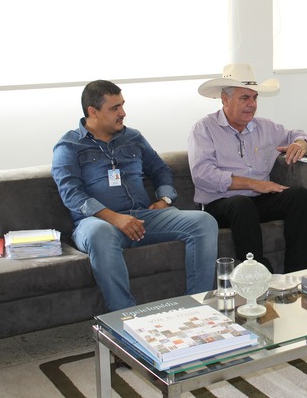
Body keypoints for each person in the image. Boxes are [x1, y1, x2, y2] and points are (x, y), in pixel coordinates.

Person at [52, 80, 218, 311]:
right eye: (114, 108)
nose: (123, 113)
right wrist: (114, 217)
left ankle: (197, 307)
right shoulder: (69, 146)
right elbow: (71, 193)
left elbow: (160, 170)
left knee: (204, 221)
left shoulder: (133, 137)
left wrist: (164, 200)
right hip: (97, 223)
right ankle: (125, 319)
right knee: (100, 233)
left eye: (122, 105)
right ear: (93, 111)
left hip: (142, 218)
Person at [188, 63, 307, 273]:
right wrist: (254, 184)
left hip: (256, 202)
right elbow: (202, 175)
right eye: (244, 98)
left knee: (299, 196)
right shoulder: (204, 129)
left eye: (254, 98)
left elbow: (297, 134)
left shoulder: (264, 127)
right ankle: (261, 276)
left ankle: (297, 273)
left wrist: (301, 143)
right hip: (220, 205)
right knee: (241, 204)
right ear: (225, 99)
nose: (252, 104)